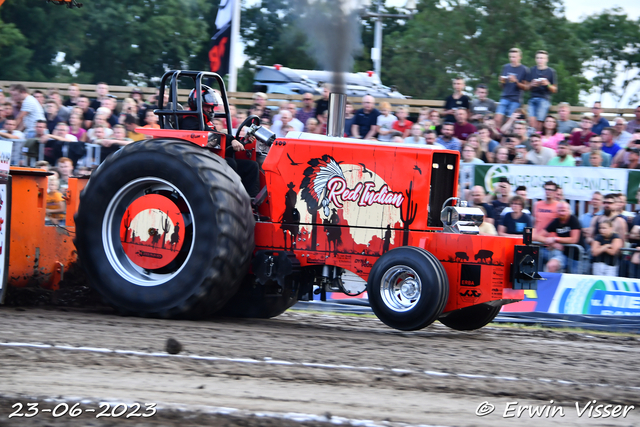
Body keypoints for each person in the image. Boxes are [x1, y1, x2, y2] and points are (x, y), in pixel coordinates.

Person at [181, 85, 260, 198]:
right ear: (196, 105)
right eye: (206, 106)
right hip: (197, 160)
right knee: (230, 163)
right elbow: (213, 136)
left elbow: (218, 137)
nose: (210, 110)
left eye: (211, 107)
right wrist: (231, 140)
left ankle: (251, 201)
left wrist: (242, 141)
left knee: (251, 166)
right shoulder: (190, 120)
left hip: (210, 156)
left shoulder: (204, 120)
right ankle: (231, 199)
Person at [540, 202, 583, 273]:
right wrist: (553, 243)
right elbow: (537, 236)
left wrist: (555, 239)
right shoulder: (556, 221)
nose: (561, 213)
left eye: (563, 210)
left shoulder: (573, 219)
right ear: (556, 211)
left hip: (577, 257)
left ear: (568, 211)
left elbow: (574, 239)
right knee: (551, 265)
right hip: (563, 254)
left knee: (575, 278)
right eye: (559, 210)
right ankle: (551, 284)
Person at [495, 48, 529, 127]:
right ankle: (498, 137)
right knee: (497, 119)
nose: (512, 59)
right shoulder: (505, 67)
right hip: (504, 97)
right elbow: (501, 86)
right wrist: (501, 81)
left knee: (509, 121)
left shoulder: (524, 69)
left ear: (520, 57)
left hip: (515, 99)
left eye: (514, 57)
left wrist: (516, 81)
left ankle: (505, 138)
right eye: (511, 57)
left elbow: (525, 87)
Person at [528, 50, 557, 131]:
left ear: (546, 60)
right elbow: (526, 87)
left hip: (544, 99)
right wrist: (531, 84)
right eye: (538, 58)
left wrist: (547, 84)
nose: (540, 60)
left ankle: (538, 140)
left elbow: (555, 89)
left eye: (542, 58)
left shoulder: (551, 71)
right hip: (532, 98)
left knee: (539, 124)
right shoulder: (532, 70)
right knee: (531, 123)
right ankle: (532, 140)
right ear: (535, 59)